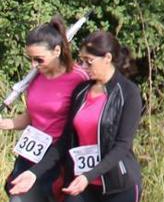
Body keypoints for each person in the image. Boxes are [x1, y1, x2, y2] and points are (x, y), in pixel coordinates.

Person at [16, 31, 142, 202]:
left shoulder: (129, 93)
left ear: (107, 58)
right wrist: (33, 173)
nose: (83, 67)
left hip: (118, 185)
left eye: (88, 62)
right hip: (81, 184)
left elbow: (122, 146)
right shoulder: (81, 91)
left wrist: (89, 175)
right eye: (81, 61)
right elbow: (64, 141)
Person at [1, 19, 90, 202]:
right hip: (31, 155)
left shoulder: (79, 78)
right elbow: (31, 117)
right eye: (31, 59)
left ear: (57, 51)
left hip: (57, 157)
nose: (34, 65)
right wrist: (4, 124)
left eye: (39, 59)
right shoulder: (34, 78)